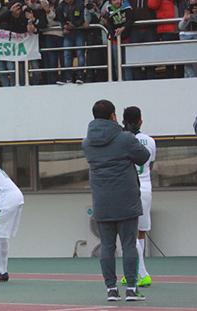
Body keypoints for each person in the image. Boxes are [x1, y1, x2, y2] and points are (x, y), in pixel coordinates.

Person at [81, 100, 150, 303]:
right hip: (126, 200)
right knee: (129, 245)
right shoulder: (125, 138)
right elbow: (144, 157)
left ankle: (111, 289)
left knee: (107, 246)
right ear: (113, 116)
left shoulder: (87, 143)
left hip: (102, 201)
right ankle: (131, 289)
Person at [121, 106, 156, 288]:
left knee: (128, 232)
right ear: (141, 120)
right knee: (140, 232)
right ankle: (135, 271)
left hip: (130, 188)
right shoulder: (150, 141)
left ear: (122, 121)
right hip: (147, 187)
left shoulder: (122, 140)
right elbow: (150, 166)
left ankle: (140, 272)